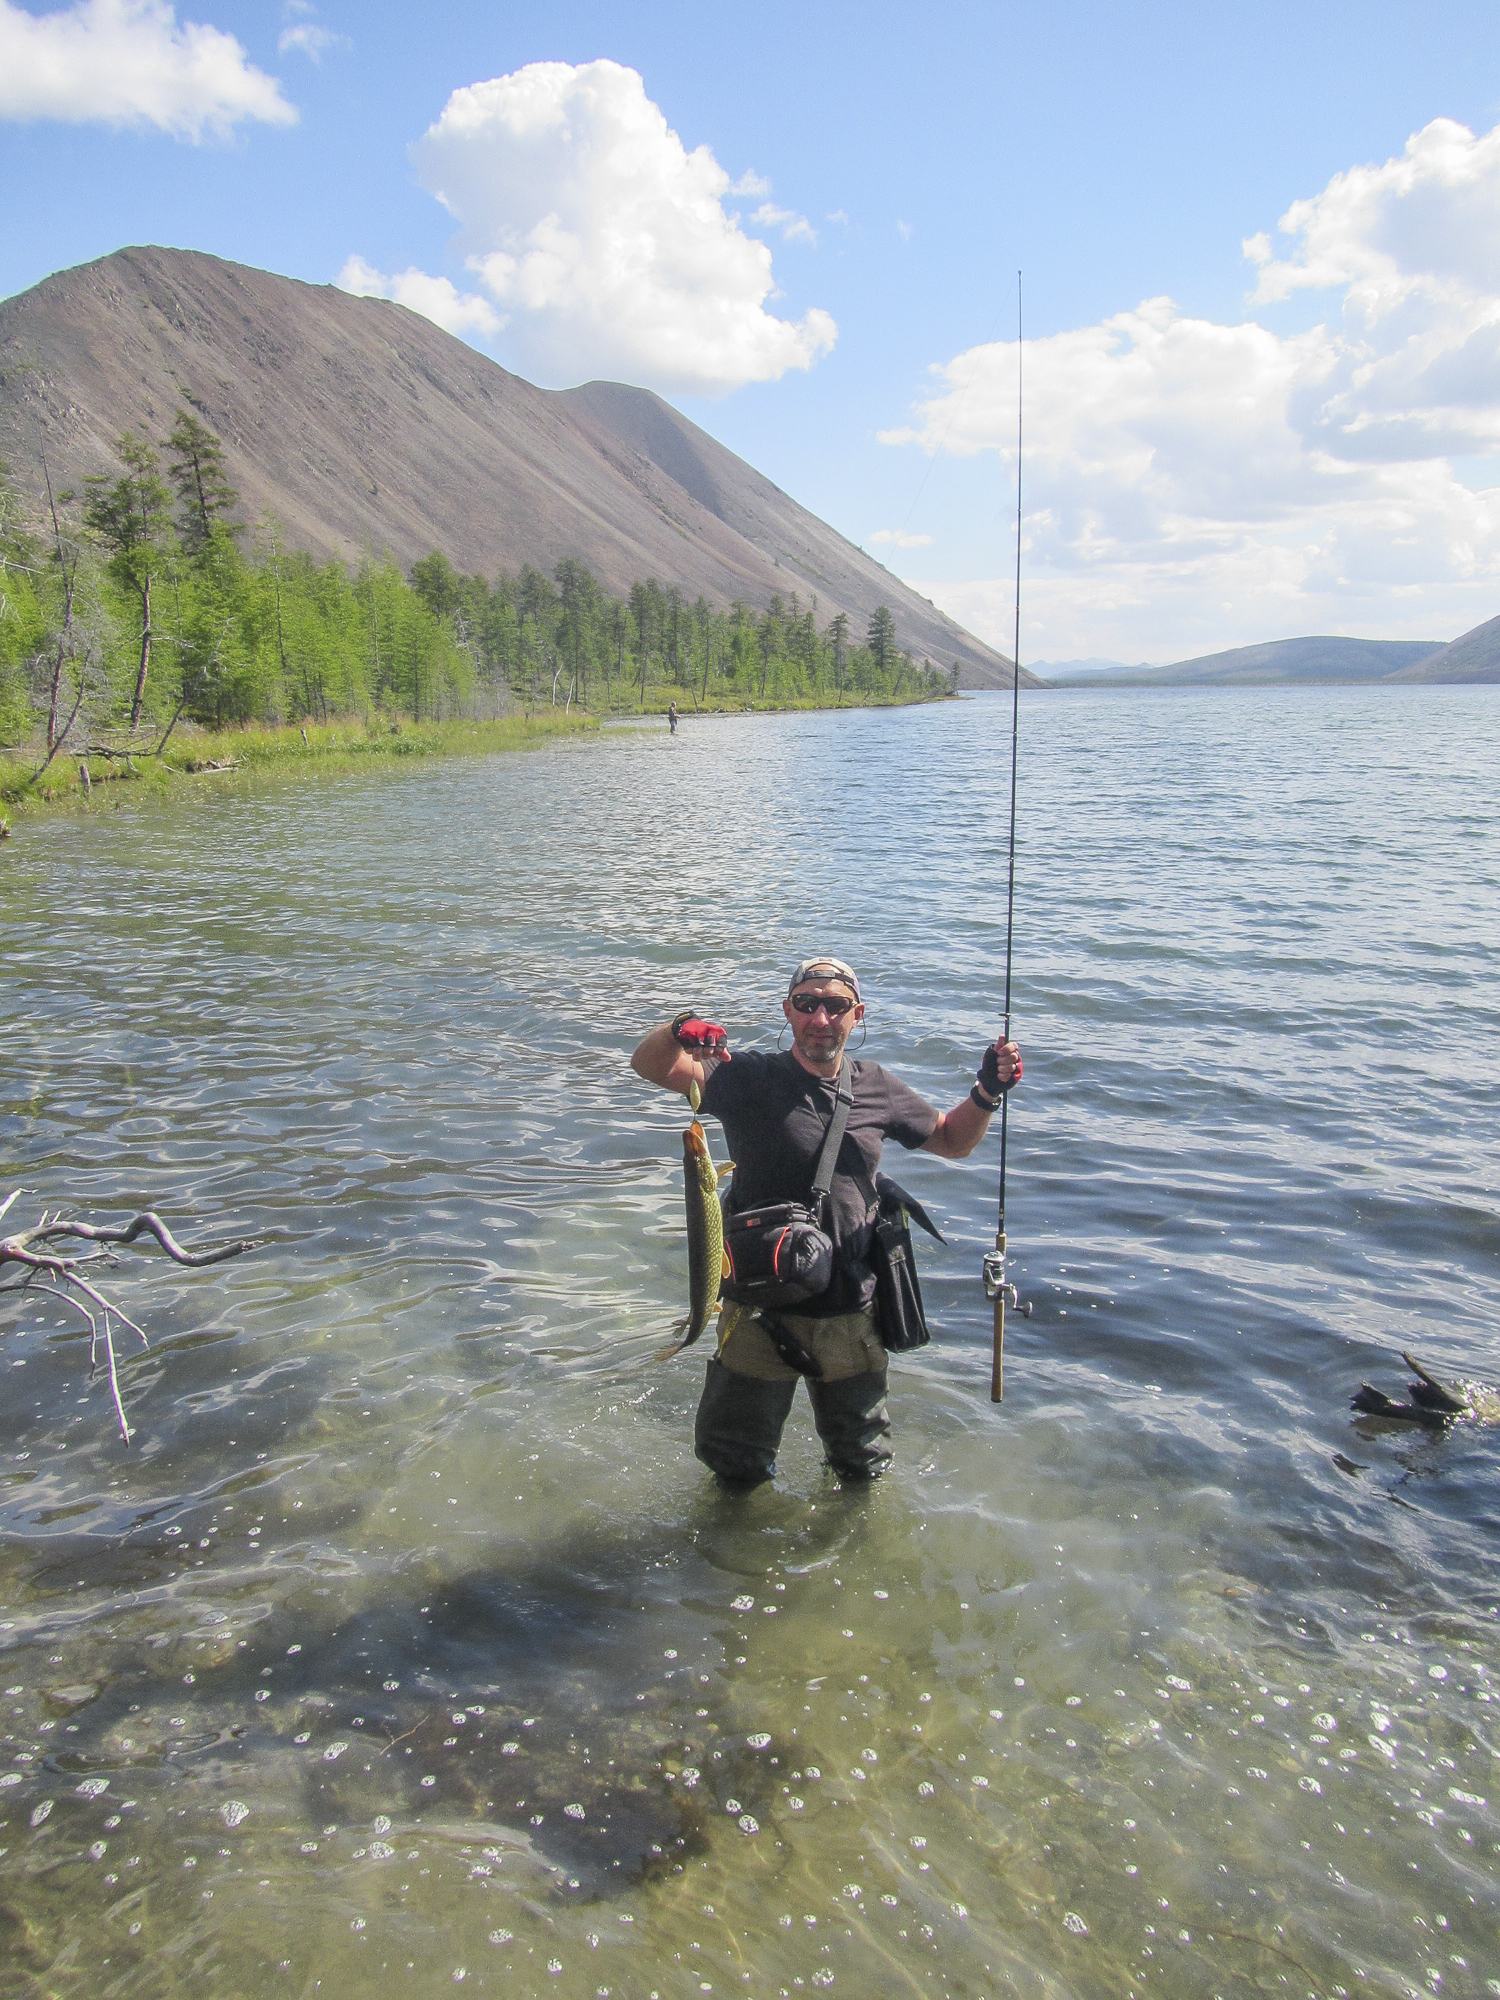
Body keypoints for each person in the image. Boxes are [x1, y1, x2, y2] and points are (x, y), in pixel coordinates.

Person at [630, 956, 1021, 1487]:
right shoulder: (746, 1077)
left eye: (835, 1006)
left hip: (850, 1314)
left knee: (862, 1468)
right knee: (734, 1467)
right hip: (755, 1314)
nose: (820, 1017)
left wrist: (986, 1094)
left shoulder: (878, 1086)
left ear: (856, 1015)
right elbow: (652, 1065)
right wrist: (678, 1029)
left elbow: (953, 1140)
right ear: (788, 1012)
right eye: (807, 1003)